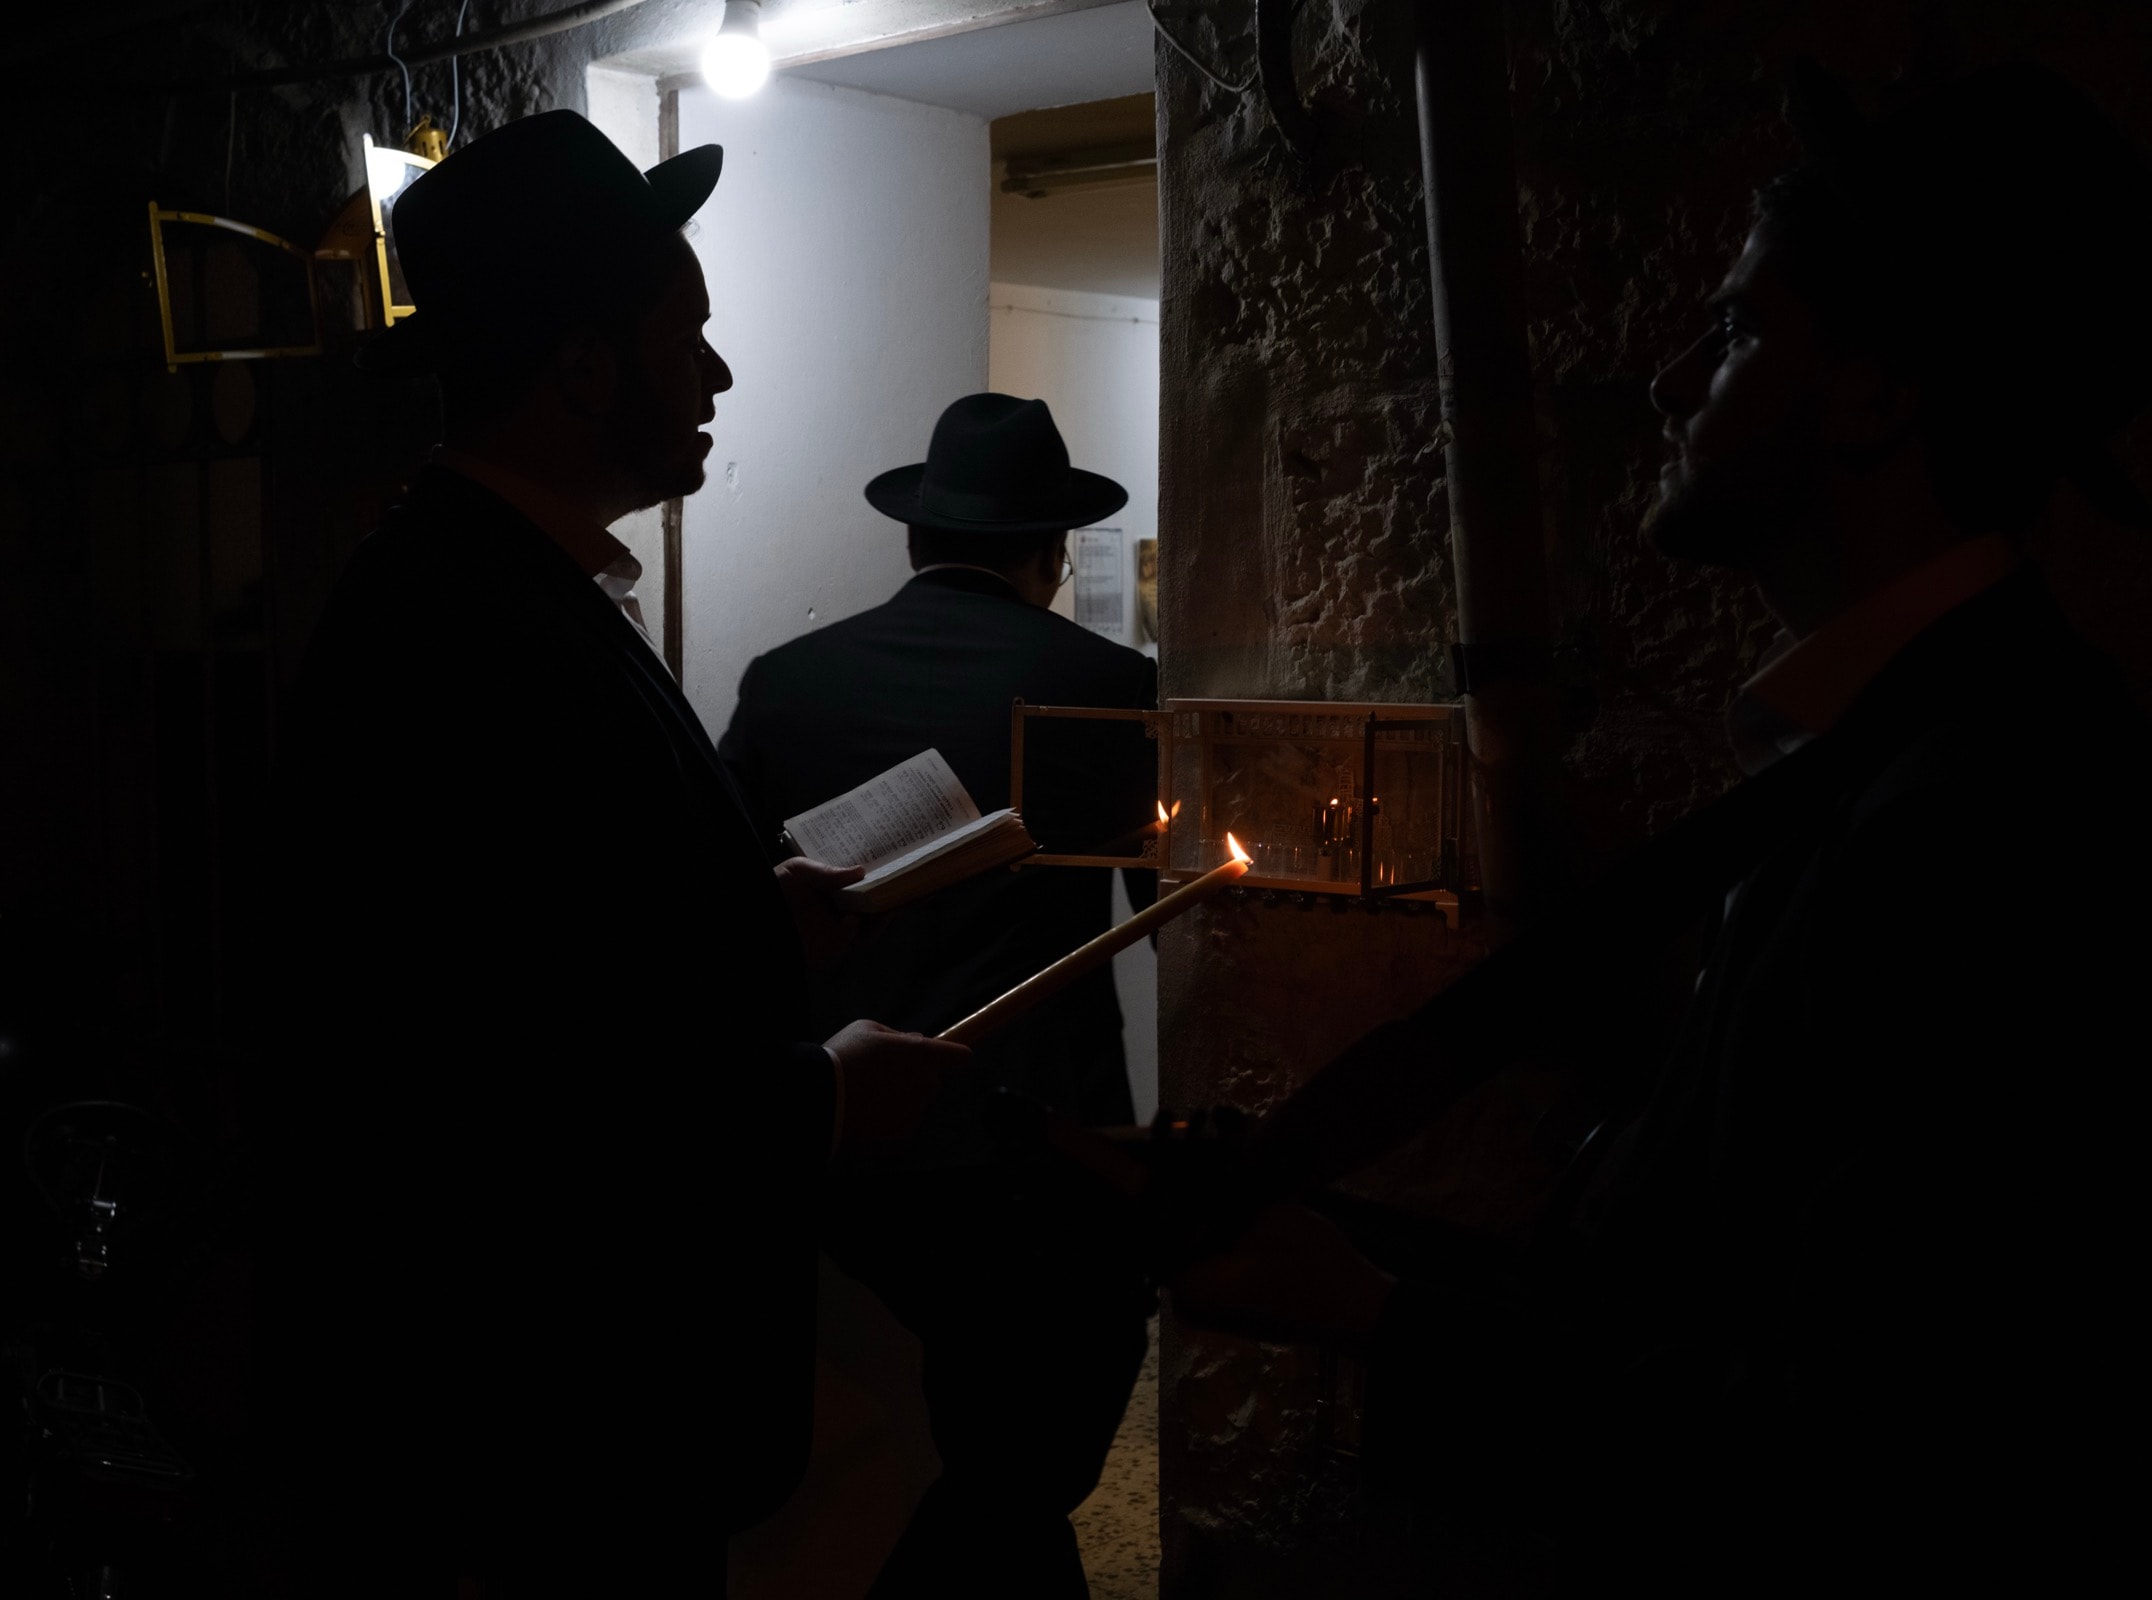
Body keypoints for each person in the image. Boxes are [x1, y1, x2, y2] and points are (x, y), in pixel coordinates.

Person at [1169, 58, 2152, 1595]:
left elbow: (1855, 1447)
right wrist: (1351, 1262)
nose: (1673, 376)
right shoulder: (1909, 752)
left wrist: (1379, 1319)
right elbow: (1711, 1280)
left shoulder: (1983, 815)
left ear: (1879, 392)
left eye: (1748, 324)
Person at [250, 112, 966, 1594]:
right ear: (581, 369)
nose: (714, 375)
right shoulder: (471, 631)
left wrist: (754, 921)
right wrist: (827, 1100)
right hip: (532, 1461)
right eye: (682, 334)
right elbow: (515, 1101)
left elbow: (562, 947)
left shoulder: (500, 590)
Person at [718, 394, 1159, 1597]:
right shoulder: (1111, 683)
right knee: (1022, 1470)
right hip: (1039, 1158)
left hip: (839, 1150)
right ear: (1054, 552)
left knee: (920, 1469)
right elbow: (1176, 927)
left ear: (916, 540)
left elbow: (721, 924)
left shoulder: (788, 680)